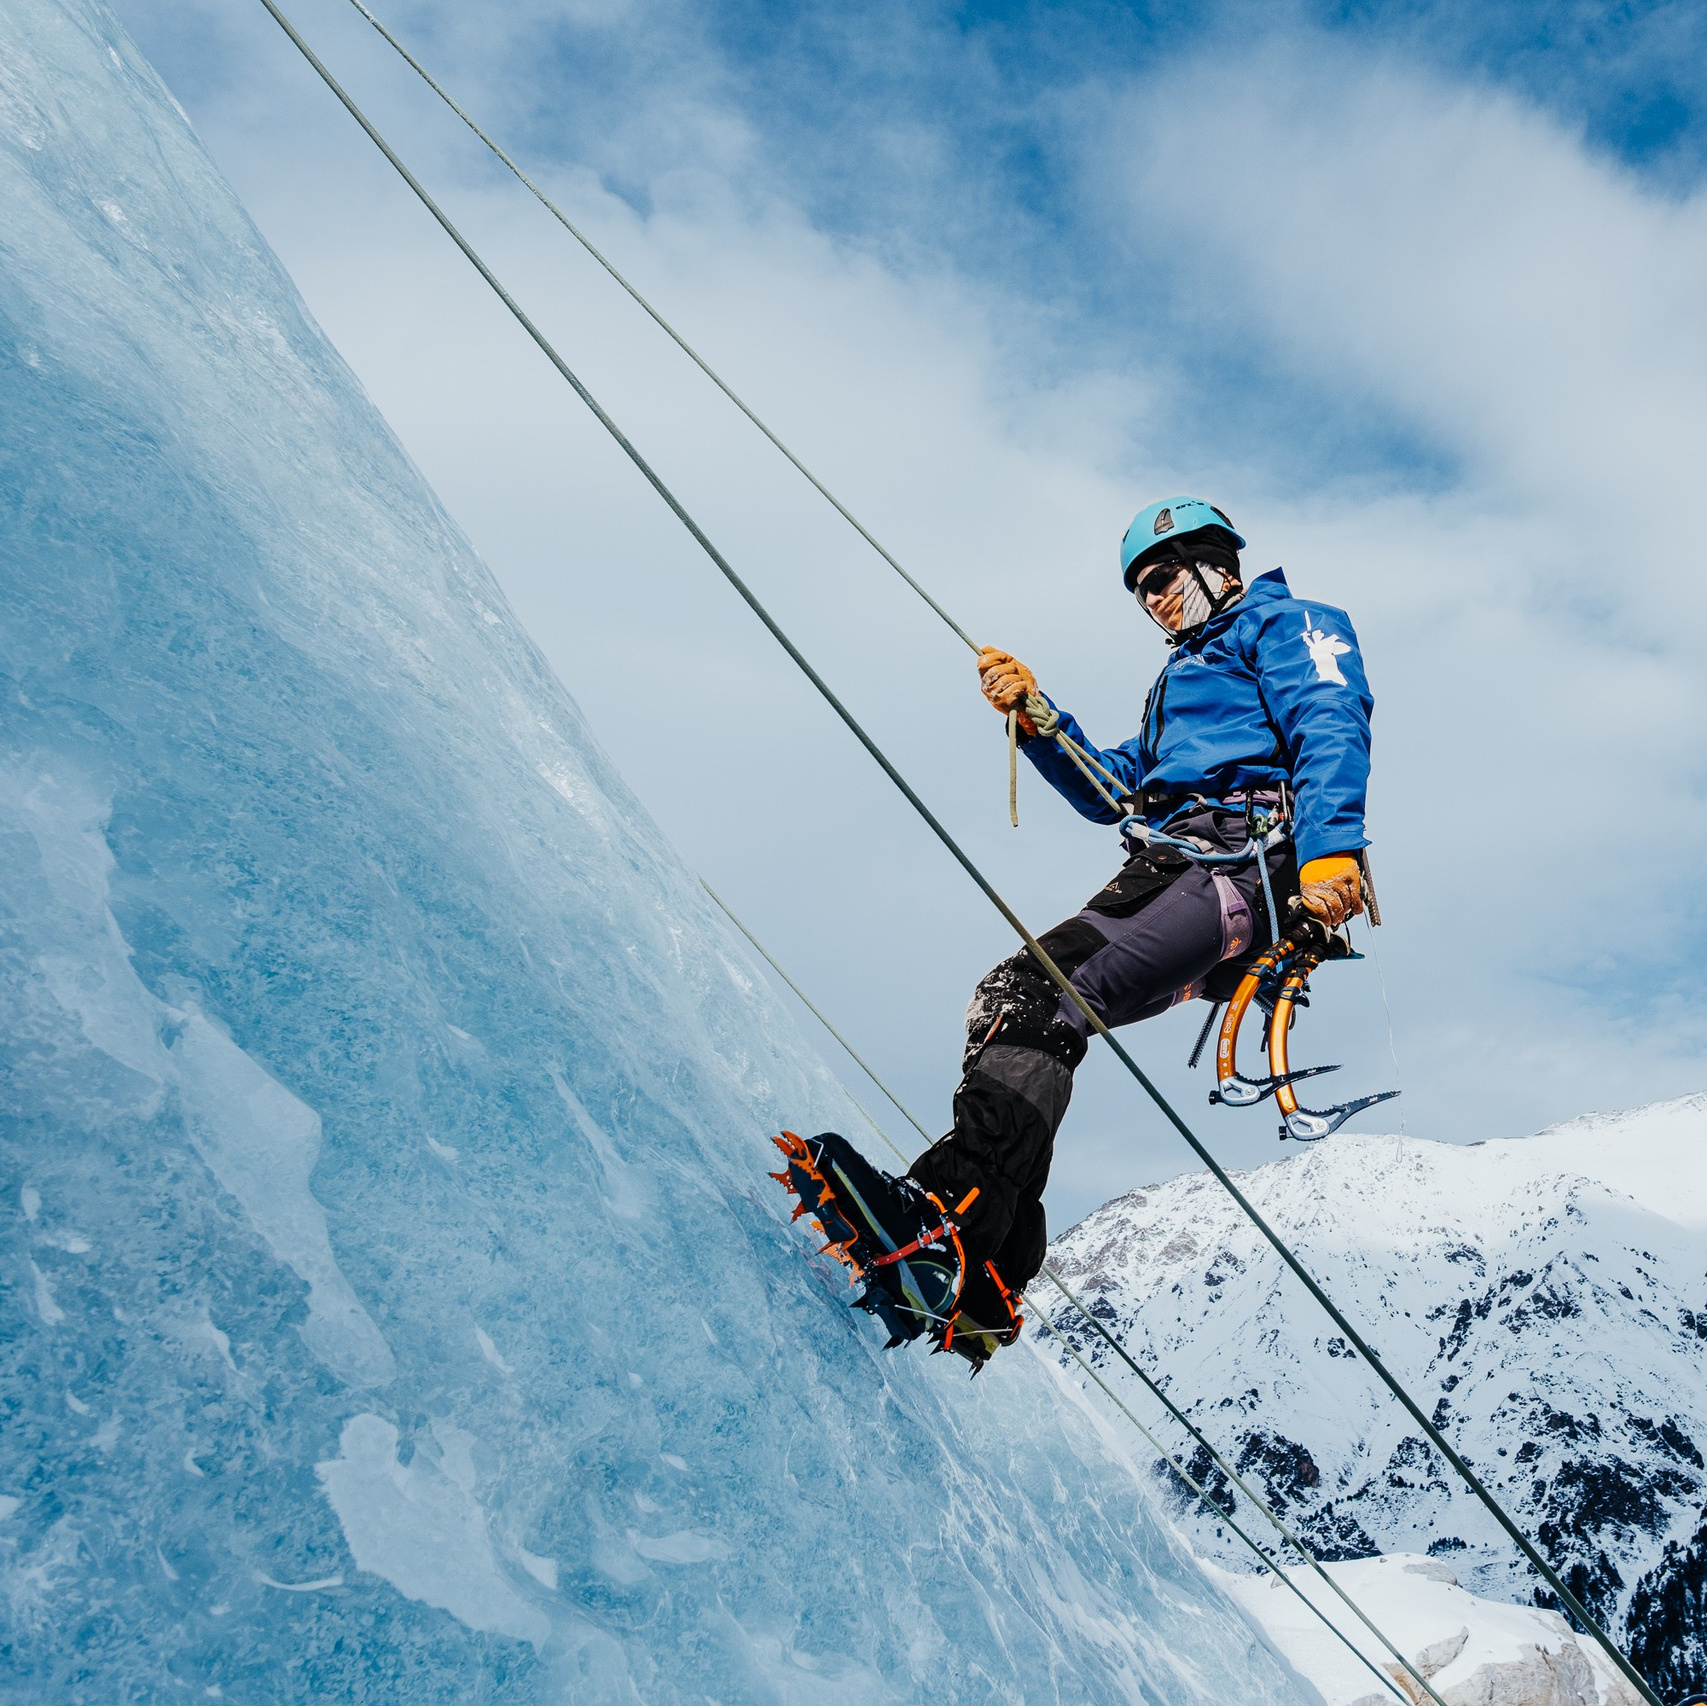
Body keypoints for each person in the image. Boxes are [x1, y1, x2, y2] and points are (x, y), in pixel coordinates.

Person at [782, 498, 1373, 1369]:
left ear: (1217, 564)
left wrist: (1331, 852)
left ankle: (947, 1222)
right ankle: (982, 1275)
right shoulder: (1183, 678)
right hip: (1170, 868)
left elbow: (1330, 724)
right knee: (1018, 1001)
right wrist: (1036, 716)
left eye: (1164, 577)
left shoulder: (1292, 626)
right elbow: (1111, 791)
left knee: (1040, 996)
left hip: (1233, 865)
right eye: (1141, 589)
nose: (1154, 599)